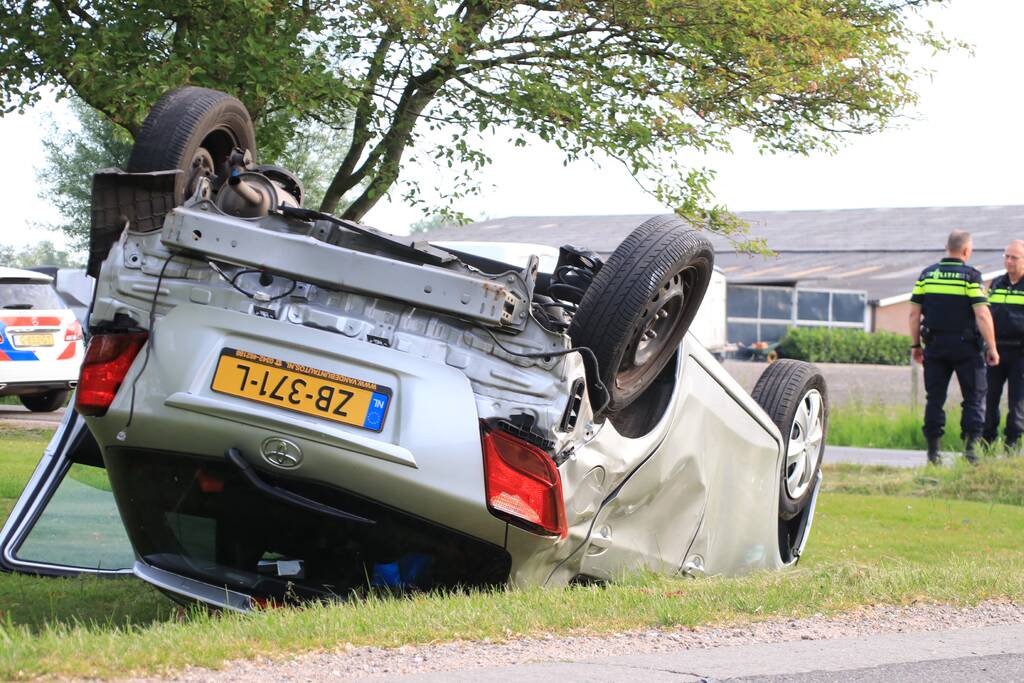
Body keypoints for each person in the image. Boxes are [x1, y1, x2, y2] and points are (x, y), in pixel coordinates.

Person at [909, 230, 999, 465]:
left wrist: (915, 345)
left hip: (935, 347)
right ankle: (970, 451)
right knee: (973, 398)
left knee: (935, 398)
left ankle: (933, 454)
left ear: (947, 247)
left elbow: (913, 314)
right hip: (967, 349)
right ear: (967, 251)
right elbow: (982, 314)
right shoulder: (971, 277)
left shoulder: (927, 275)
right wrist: (992, 347)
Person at [983, 239, 1024, 450]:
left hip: (1020, 352)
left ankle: (1012, 445)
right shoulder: (997, 283)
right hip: (995, 349)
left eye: (1014, 257)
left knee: (1017, 403)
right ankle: (986, 442)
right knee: (989, 399)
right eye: (1006, 256)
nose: (1009, 261)